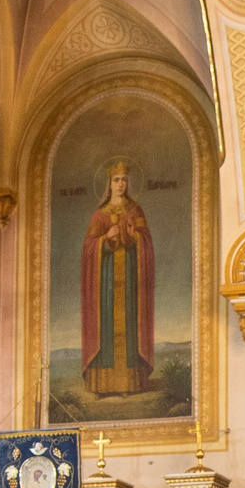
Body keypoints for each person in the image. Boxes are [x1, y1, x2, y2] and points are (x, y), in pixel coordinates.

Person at [82, 158, 156, 397]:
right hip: (106, 280)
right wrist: (105, 239)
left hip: (130, 278)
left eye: (124, 179)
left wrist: (135, 237)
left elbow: (146, 241)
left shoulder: (135, 211)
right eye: (116, 180)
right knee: (105, 325)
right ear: (110, 184)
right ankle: (103, 385)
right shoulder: (99, 214)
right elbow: (89, 247)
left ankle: (129, 384)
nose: (121, 184)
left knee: (130, 323)